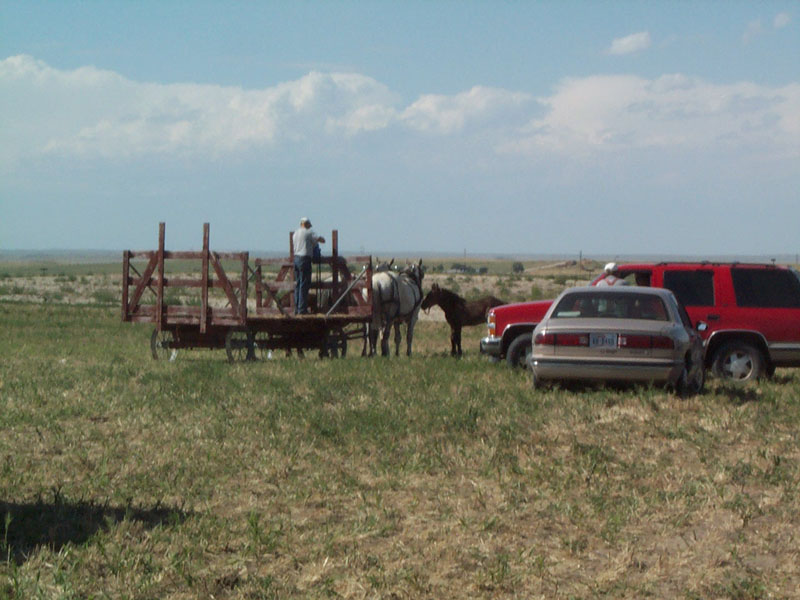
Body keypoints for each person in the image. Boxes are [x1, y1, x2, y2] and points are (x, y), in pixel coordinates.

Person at [292, 217, 325, 314]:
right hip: (305, 259)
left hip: (296, 259)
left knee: (298, 284)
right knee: (304, 284)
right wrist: (321, 239)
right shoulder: (308, 232)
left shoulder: (295, 233)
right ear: (306, 224)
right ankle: (302, 309)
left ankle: (297, 309)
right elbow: (319, 240)